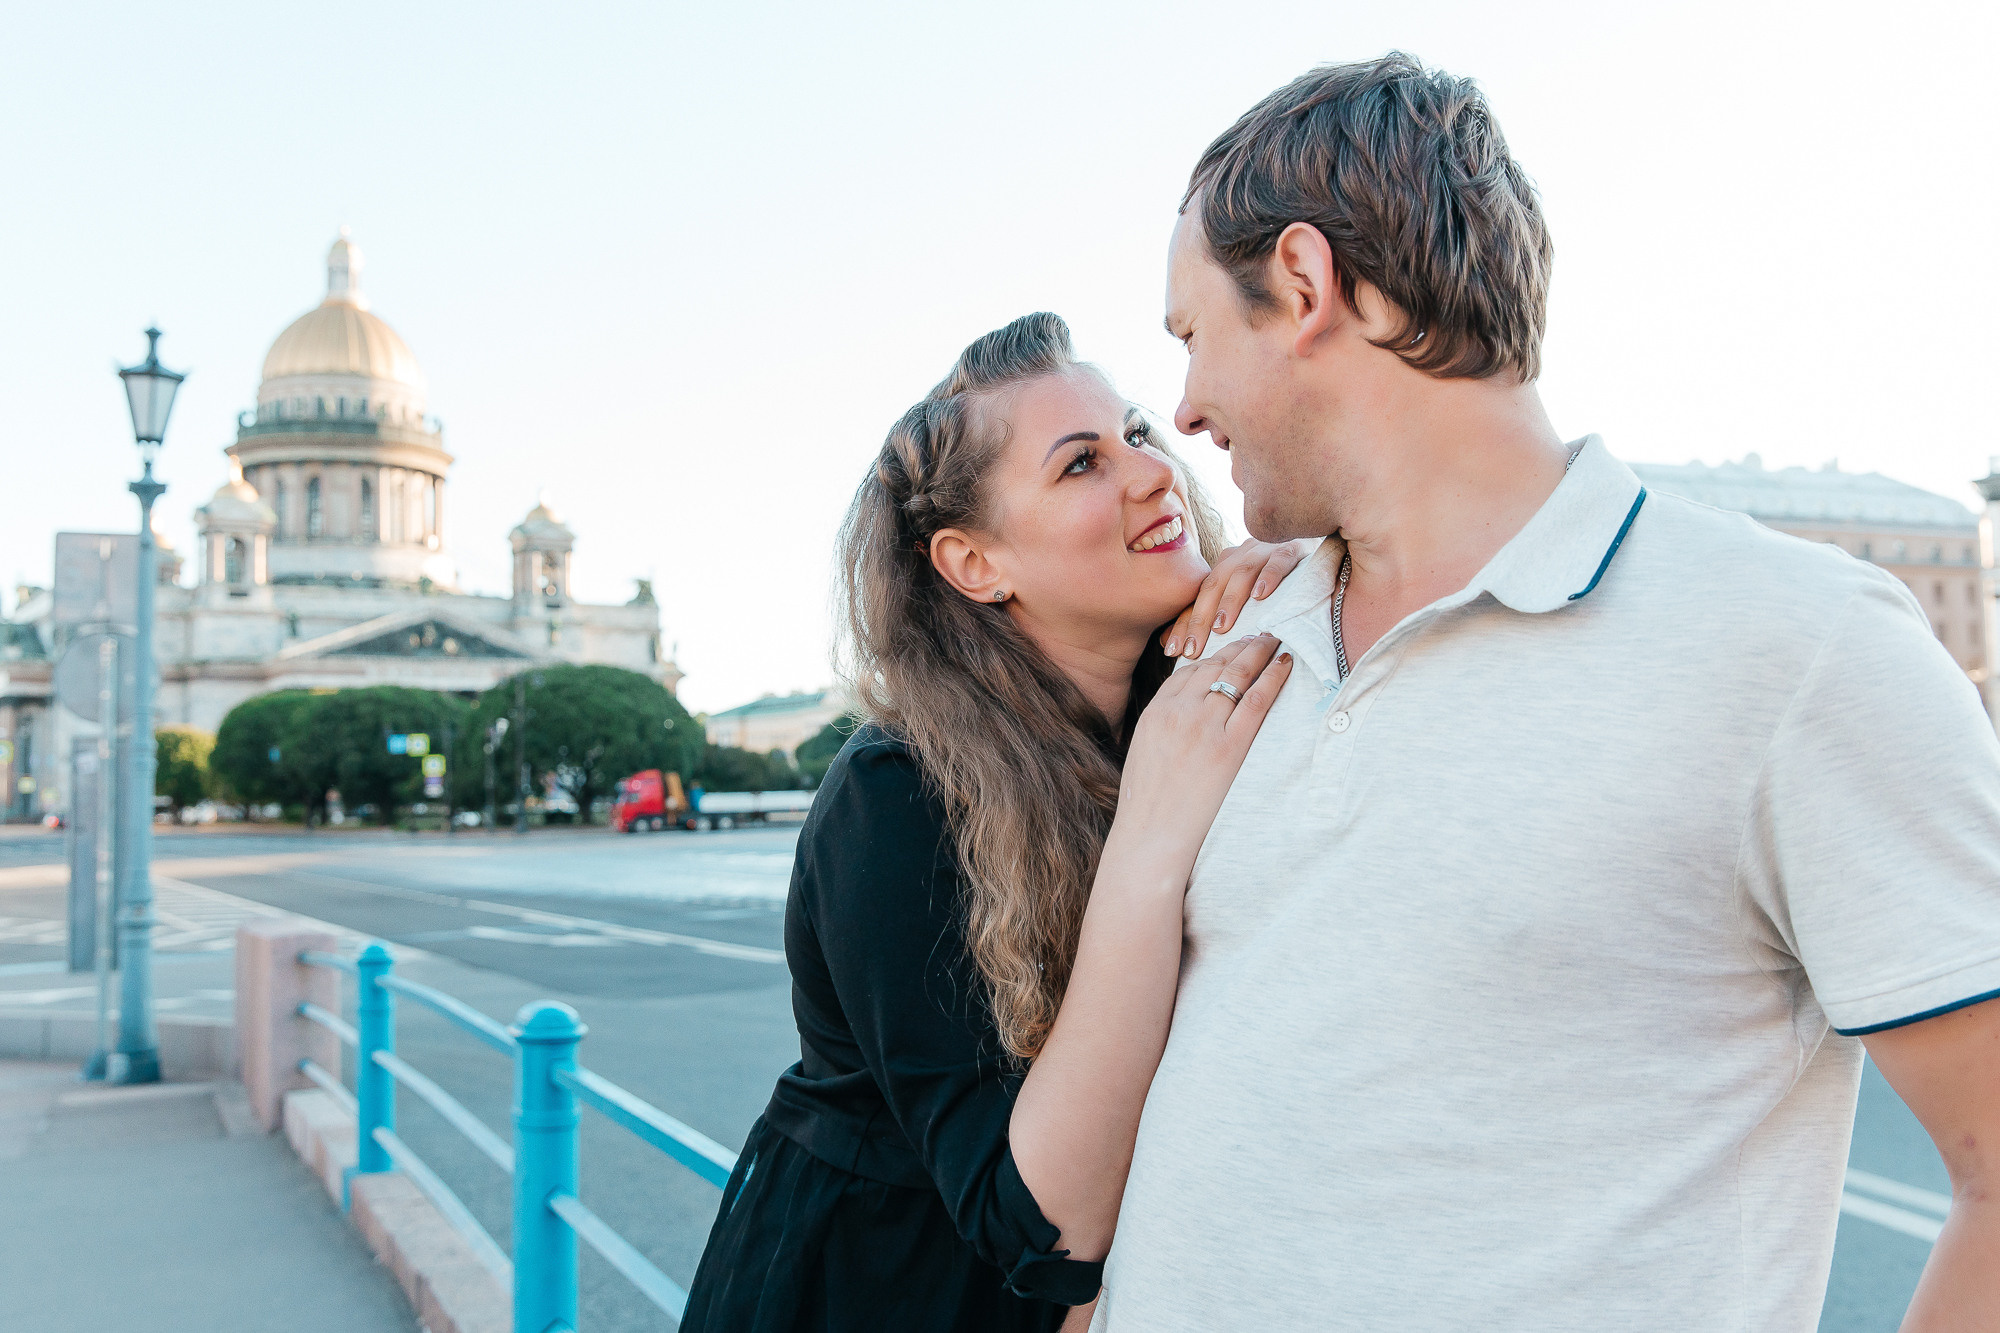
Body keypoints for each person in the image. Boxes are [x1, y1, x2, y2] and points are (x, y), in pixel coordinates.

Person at [1092, 53, 2000, 1331]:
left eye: (1191, 338)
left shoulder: (1797, 645)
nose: (1184, 411)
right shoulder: (1242, 640)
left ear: (1301, 284)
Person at [680, 313, 1304, 1331]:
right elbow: (1045, 1224)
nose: (1156, 473)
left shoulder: (1182, 707)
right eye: (1081, 464)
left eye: (1137, 434)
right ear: (974, 563)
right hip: (876, 1297)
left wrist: (1295, 574)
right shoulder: (894, 794)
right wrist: (1150, 839)